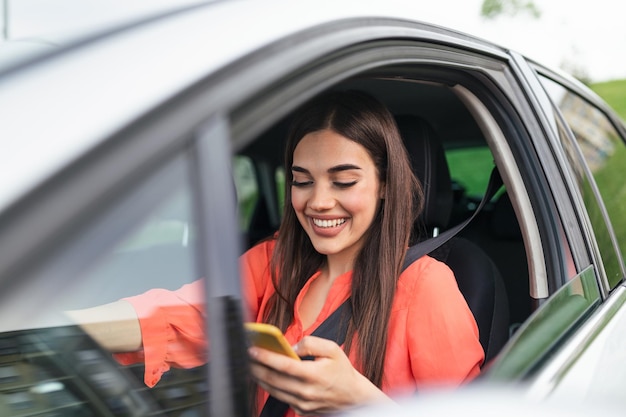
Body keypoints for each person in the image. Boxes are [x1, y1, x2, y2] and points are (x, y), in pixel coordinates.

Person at [69, 90, 483, 417]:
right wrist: (53, 329)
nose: (318, 201)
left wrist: (359, 401)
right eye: (302, 181)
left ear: (385, 185)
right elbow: (177, 315)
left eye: (343, 182)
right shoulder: (274, 263)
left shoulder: (426, 287)